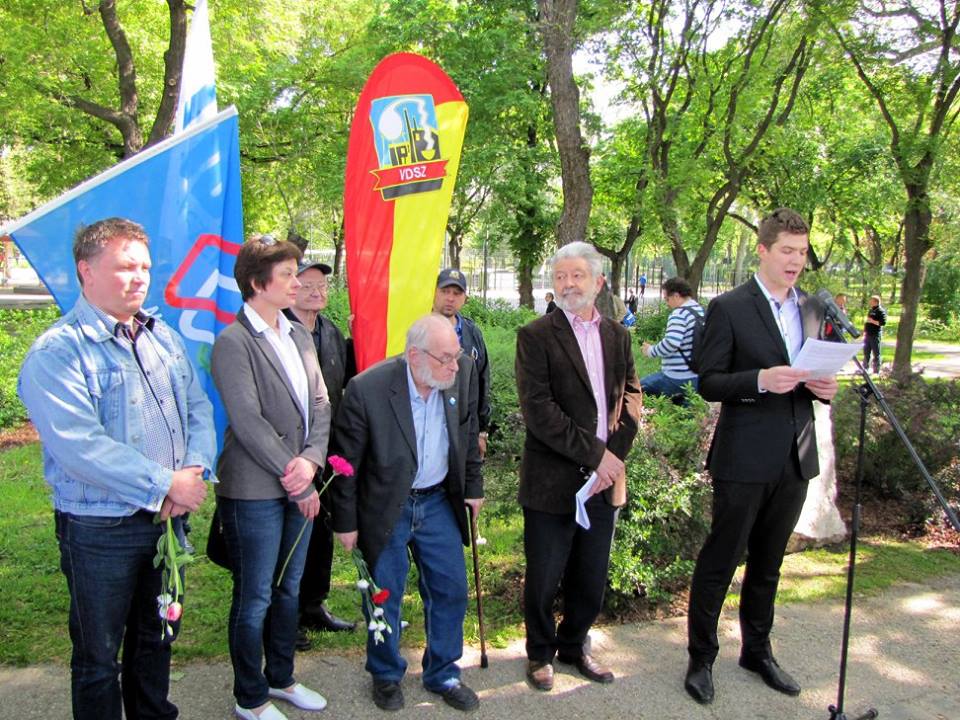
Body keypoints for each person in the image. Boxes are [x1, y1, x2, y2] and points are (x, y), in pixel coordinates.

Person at [18, 217, 216, 720]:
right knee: (98, 657)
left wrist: (193, 470)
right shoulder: (58, 351)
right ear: (86, 271)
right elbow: (80, 446)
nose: (140, 278)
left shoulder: (161, 336)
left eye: (145, 267)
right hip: (100, 531)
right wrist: (165, 483)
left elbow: (197, 407)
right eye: (126, 267)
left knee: (157, 635)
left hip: (167, 521)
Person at [684, 208, 838, 706]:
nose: (796, 260)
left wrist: (825, 388)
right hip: (743, 457)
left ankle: (757, 651)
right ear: (764, 250)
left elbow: (812, 375)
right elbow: (709, 381)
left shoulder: (812, 308)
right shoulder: (729, 307)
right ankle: (701, 658)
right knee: (721, 560)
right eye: (787, 251)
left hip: (796, 457)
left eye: (802, 252)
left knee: (769, 564)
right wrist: (759, 380)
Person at [331, 314, 484, 713]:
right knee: (384, 593)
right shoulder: (368, 389)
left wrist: (473, 488)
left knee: (451, 587)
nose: (455, 366)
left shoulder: (460, 373)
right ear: (415, 355)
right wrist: (346, 522)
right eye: (445, 358)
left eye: (456, 355)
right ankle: (385, 674)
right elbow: (346, 464)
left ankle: (443, 672)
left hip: (438, 501)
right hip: (386, 505)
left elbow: (467, 436)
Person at [212, 236, 332, 720]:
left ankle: (282, 677)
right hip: (253, 490)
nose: (297, 282)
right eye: (287, 274)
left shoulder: (298, 334)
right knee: (255, 595)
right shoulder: (233, 342)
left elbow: (321, 402)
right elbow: (248, 421)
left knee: (289, 588)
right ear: (258, 283)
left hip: (299, 476)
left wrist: (313, 460)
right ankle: (250, 696)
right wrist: (298, 477)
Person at [515, 241, 643, 692]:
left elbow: (632, 396)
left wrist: (613, 458)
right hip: (552, 480)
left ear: (598, 282)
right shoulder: (535, 336)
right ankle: (540, 652)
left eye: (577, 275)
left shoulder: (618, 335)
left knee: (590, 576)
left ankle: (574, 645)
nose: (568, 284)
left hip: (603, 482)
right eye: (561, 276)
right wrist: (597, 455)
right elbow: (540, 411)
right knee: (544, 576)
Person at [284, 261, 356, 645]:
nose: (316, 291)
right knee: (294, 532)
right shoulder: (278, 330)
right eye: (307, 284)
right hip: (292, 451)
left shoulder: (331, 331)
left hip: (329, 449)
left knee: (323, 529)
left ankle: (313, 603)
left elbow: (347, 379)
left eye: (322, 285)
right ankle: (287, 612)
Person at [432, 268, 491, 457]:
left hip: (463, 426)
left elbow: (483, 381)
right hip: (429, 423)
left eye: (457, 293)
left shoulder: (472, 333)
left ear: (465, 298)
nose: (450, 298)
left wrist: (482, 431)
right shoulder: (420, 329)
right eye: (445, 291)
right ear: (434, 292)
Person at [640, 277, 703, 398]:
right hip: (696, 377)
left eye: (666, 299)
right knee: (685, 408)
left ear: (676, 296)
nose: (667, 303)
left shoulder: (679, 314)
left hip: (675, 378)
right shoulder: (700, 311)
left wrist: (651, 351)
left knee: (634, 390)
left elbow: (671, 343)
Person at [862, 293, 887, 374]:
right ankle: (865, 368)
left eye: (871, 301)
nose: (870, 302)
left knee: (876, 352)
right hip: (868, 334)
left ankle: (876, 369)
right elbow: (868, 321)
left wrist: (872, 321)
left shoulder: (880, 311)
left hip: (875, 334)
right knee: (866, 351)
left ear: (876, 302)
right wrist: (864, 330)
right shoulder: (871, 310)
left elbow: (882, 323)